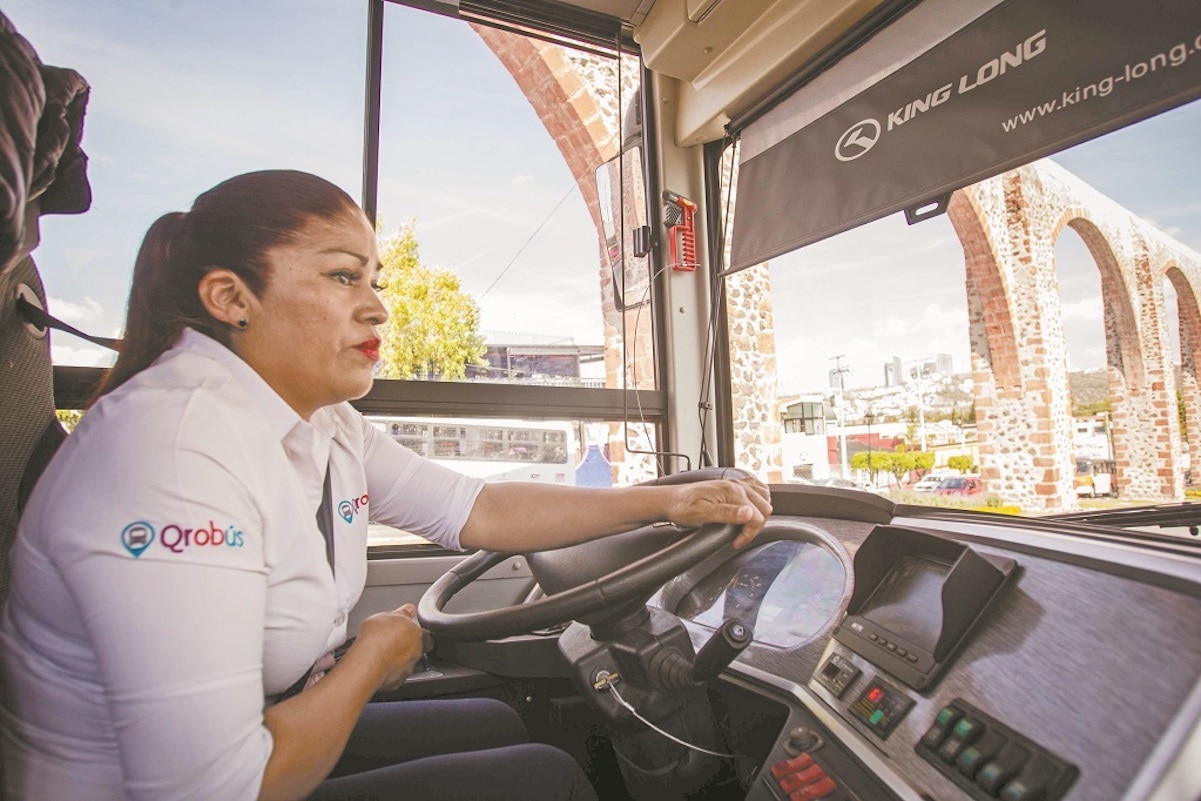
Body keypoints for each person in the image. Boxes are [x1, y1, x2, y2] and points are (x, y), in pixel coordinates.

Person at [0, 170, 772, 800]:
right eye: (342, 277)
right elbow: (217, 788)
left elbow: (475, 506)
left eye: (374, 278)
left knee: (496, 721)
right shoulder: (171, 450)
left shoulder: (323, 421)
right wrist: (374, 654)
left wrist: (663, 499)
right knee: (546, 776)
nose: (377, 305)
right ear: (231, 298)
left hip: (256, 729)